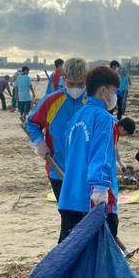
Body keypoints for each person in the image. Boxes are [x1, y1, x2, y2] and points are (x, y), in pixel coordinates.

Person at [58, 66, 135, 243]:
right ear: (103, 91)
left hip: (69, 197)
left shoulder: (76, 118)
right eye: (113, 90)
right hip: (92, 200)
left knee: (68, 254)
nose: (115, 95)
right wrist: (100, 189)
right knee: (98, 258)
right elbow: (101, 155)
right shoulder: (105, 119)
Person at [26, 57, 89, 200]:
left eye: (81, 84)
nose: (76, 88)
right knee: (66, 215)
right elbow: (31, 123)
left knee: (86, 216)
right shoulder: (51, 101)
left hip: (86, 171)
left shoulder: (92, 103)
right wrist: (39, 142)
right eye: (71, 83)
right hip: (57, 169)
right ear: (64, 78)